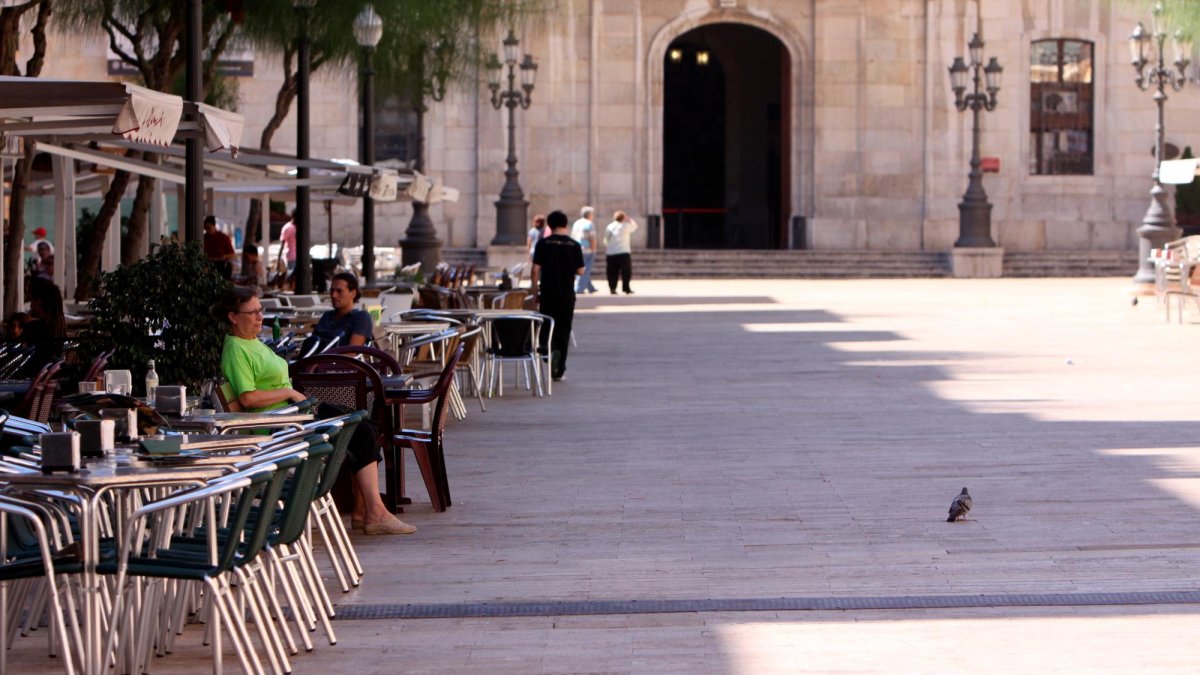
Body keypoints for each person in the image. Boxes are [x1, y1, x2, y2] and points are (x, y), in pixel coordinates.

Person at [214, 286, 416, 535]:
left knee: (365, 427)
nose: (260, 317)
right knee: (361, 432)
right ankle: (373, 511)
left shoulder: (252, 343)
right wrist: (288, 393)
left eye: (260, 310)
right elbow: (247, 398)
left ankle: (367, 510)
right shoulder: (236, 349)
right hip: (281, 429)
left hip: (295, 417)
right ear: (233, 317)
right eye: (252, 312)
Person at [531, 210, 584, 381]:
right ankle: (559, 369)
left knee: (546, 325)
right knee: (563, 329)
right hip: (567, 294)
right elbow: (581, 271)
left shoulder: (543, 244)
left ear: (549, 225)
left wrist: (534, 291)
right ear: (565, 225)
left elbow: (535, 269)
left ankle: (546, 352)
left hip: (547, 292)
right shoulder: (574, 245)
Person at [312, 272, 373, 348]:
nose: (333, 295)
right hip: (316, 358)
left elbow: (351, 353)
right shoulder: (327, 316)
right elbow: (312, 345)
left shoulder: (361, 317)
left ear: (353, 293)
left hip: (338, 359)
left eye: (339, 291)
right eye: (332, 291)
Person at [21, 278, 66, 376]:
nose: (31, 305)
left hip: (31, 380)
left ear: (39, 301)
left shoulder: (34, 328)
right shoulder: (57, 326)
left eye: (32, 300)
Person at [604, 210, 638, 295]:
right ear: (623, 218)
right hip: (623, 252)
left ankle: (612, 288)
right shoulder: (625, 226)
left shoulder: (609, 226)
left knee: (612, 272)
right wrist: (629, 219)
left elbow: (606, 239)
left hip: (611, 253)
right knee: (626, 272)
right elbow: (635, 226)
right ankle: (626, 288)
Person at [570, 206, 598, 294]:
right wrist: (593, 249)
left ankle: (590, 287)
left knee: (582, 268)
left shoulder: (576, 223)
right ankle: (579, 288)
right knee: (585, 269)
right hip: (587, 250)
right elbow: (592, 238)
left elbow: (573, 236)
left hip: (577, 249)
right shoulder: (589, 224)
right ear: (589, 214)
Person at [203, 215, 236, 280]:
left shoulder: (223, 238)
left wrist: (224, 257)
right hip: (208, 267)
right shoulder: (204, 238)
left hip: (222, 267)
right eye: (205, 228)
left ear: (214, 226)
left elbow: (232, 254)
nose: (207, 230)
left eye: (208, 228)